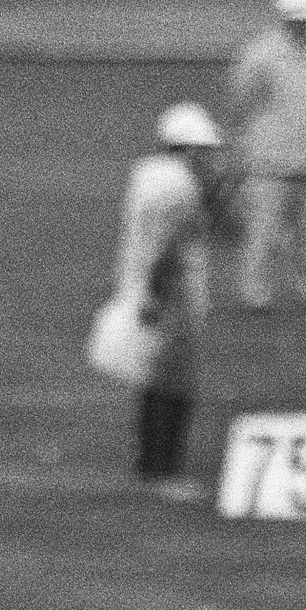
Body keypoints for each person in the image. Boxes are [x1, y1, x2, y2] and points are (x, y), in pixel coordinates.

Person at [104, 101, 223, 501]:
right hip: (170, 294)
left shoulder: (148, 177)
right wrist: (159, 297)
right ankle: (165, 472)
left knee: (154, 381)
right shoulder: (179, 188)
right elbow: (172, 246)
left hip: (143, 289)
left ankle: (150, 465)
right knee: (175, 385)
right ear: (188, 149)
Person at [228, 0, 306, 309]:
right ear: (289, 21)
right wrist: (241, 146)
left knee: (305, 231)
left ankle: (304, 288)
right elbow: (241, 101)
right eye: (305, 21)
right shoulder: (260, 54)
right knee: (263, 226)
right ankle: (255, 292)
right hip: (268, 157)